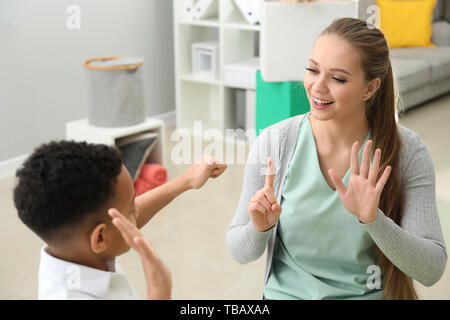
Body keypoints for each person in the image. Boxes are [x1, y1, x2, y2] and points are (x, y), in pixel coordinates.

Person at [226, 17, 447, 300]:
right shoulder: (273, 143)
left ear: (370, 88)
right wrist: (260, 227)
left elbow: (431, 269)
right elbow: (239, 250)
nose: (318, 86)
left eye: (338, 78)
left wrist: (373, 219)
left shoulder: (408, 152)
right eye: (312, 70)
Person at [13, 140, 226, 299]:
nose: (136, 211)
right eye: (130, 208)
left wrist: (187, 180)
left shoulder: (73, 247)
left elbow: (125, 221)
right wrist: (160, 292)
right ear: (99, 239)